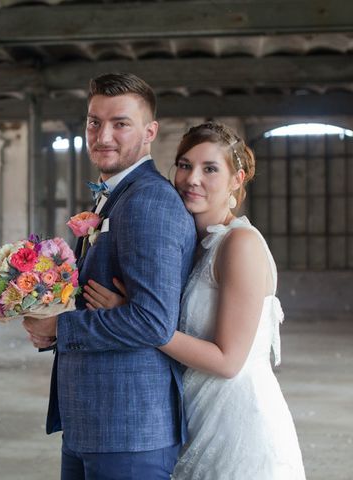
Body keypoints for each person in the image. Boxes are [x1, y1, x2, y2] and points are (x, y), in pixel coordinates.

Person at [84, 122, 306, 479]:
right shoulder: (198, 242)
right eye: (185, 165)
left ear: (238, 179)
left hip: (234, 423)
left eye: (210, 169)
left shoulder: (240, 244)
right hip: (193, 413)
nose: (191, 179)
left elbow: (228, 361)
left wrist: (135, 317)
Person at [22, 73, 197, 479]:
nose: (103, 136)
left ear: (150, 132)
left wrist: (60, 328)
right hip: (93, 420)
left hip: (130, 428)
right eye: (94, 122)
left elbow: (153, 322)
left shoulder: (149, 201)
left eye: (121, 124)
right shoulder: (115, 196)